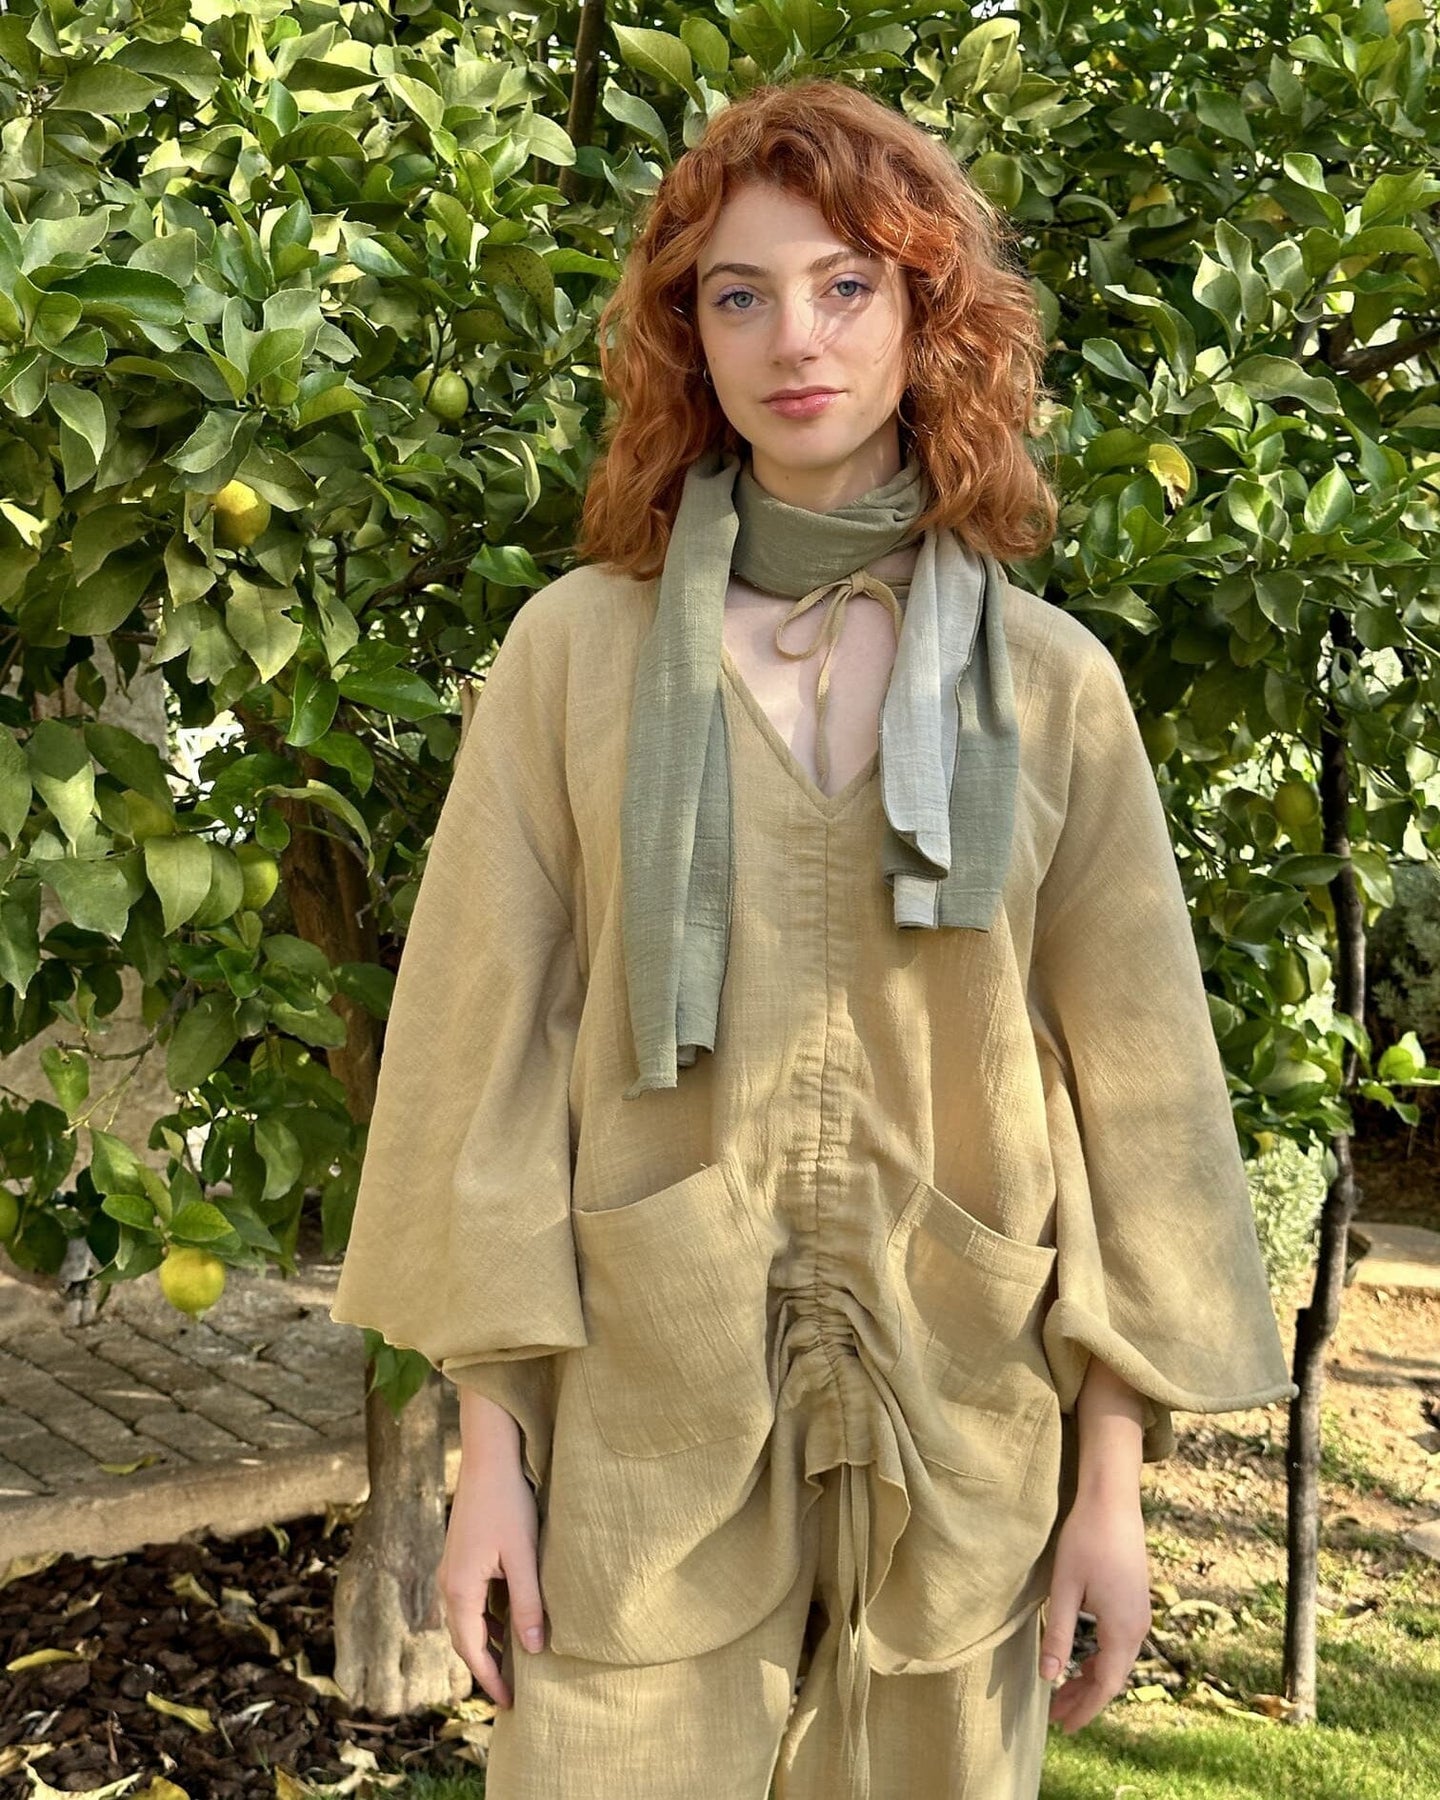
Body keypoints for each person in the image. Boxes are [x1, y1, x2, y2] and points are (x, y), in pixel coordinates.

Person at [329, 76, 1297, 1800]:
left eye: (849, 284)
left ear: (928, 315)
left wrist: (1111, 1487)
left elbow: (1137, 1096)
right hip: (641, 1418)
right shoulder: (576, 658)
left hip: (965, 1426)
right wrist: (491, 1452)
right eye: (740, 294)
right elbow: (483, 1058)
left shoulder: (1050, 686)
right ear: (684, 337)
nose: (797, 339)